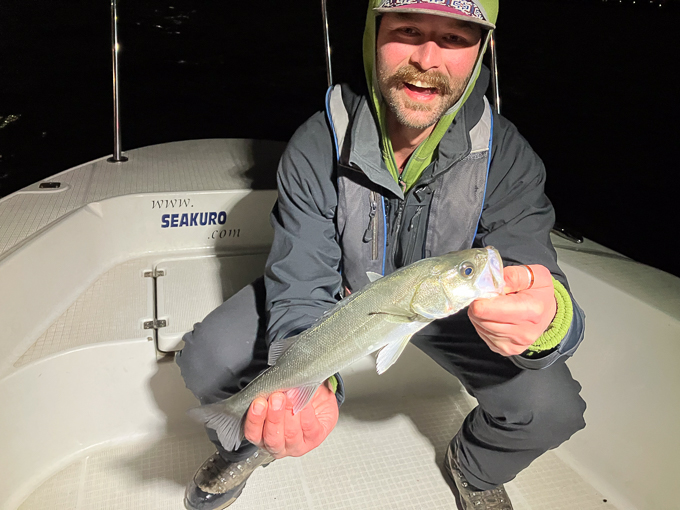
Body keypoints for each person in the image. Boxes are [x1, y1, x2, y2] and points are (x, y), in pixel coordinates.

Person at [177, 1, 587, 509]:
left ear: (482, 49)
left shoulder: (507, 156)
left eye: (455, 37)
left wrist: (548, 320)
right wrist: (313, 379)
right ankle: (245, 447)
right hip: (343, 298)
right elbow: (301, 278)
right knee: (209, 358)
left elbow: (534, 265)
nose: (428, 59)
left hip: (452, 308)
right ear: (373, 32)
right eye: (408, 29)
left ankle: (475, 469)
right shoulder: (317, 143)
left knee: (553, 410)